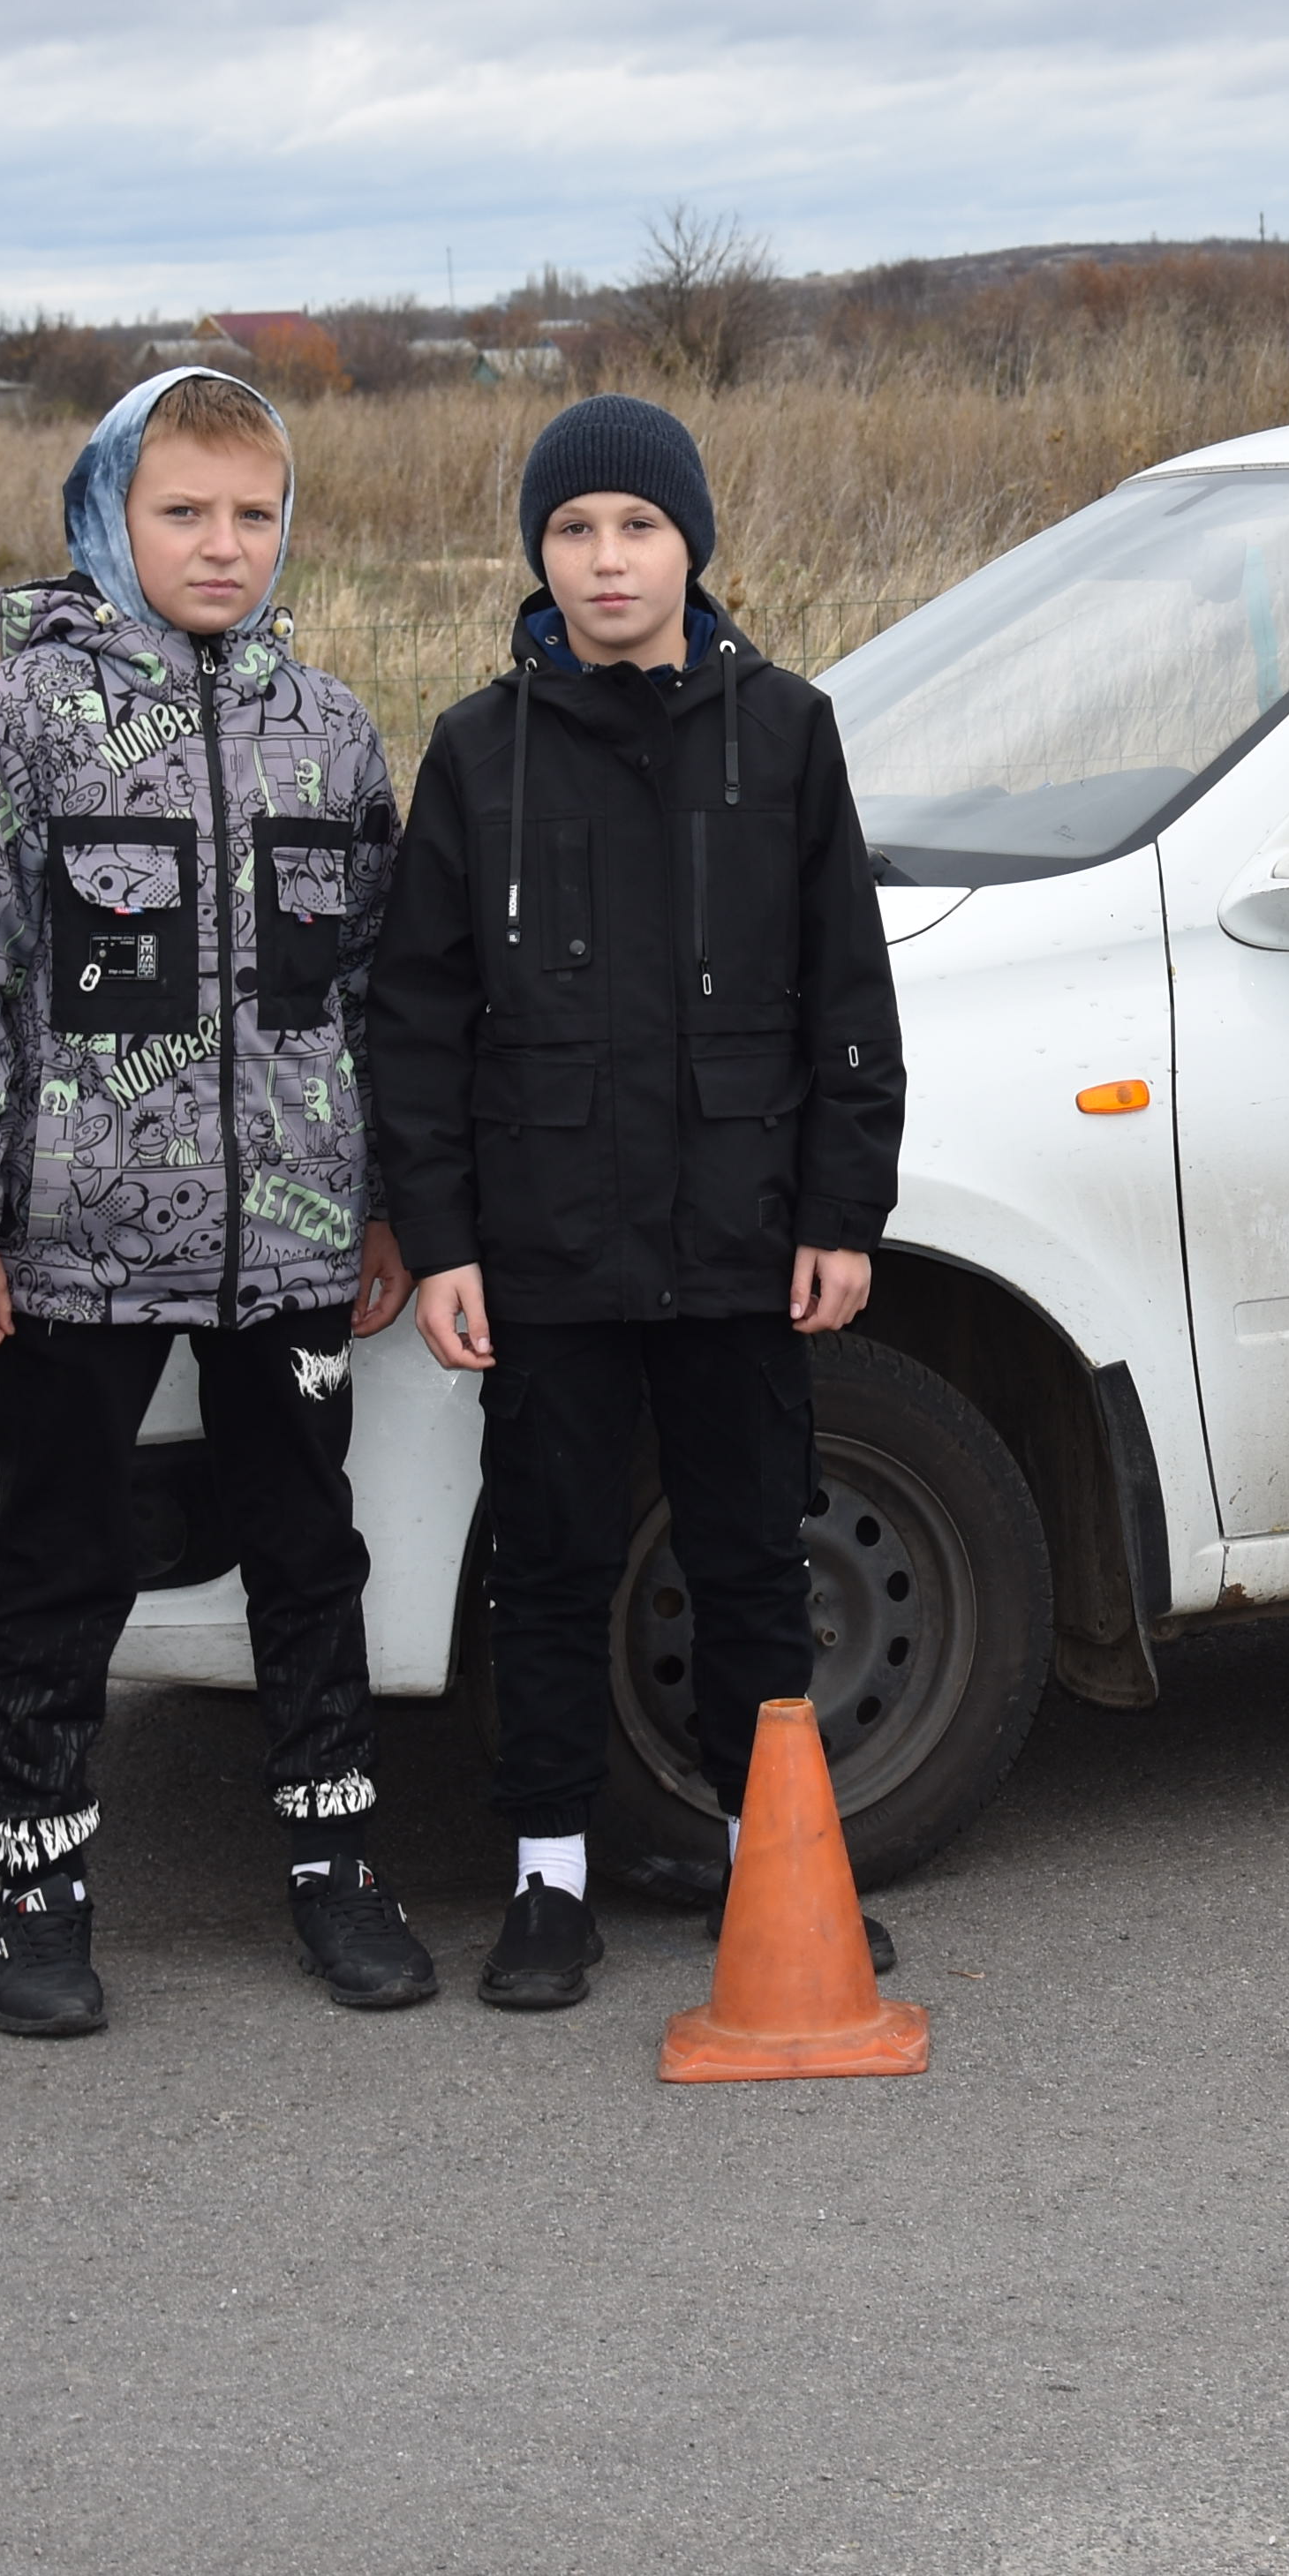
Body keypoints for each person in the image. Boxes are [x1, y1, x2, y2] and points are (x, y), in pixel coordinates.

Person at [0, 365, 431, 2037]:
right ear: (109, 512)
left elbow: (376, 994)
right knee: (59, 1557)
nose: (223, 545)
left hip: (291, 1243)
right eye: (183, 511)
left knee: (306, 1552)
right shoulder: (17, 722)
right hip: (75, 1248)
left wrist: (386, 1203)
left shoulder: (329, 728)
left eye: (254, 515)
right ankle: (38, 1886)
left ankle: (338, 1869)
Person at [362, 395, 907, 2015]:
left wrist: (841, 1212)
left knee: (748, 1562)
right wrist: (444, 1239)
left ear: (692, 547)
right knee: (548, 1565)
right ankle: (548, 1881)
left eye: (639, 528)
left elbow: (847, 1002)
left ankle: (775, 1861)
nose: (608, 561)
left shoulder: (786, 731)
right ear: (538, 555)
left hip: (745, 1244)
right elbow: (416, 1022)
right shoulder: (478, 749)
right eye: (576, 530)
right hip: (547, 1254)